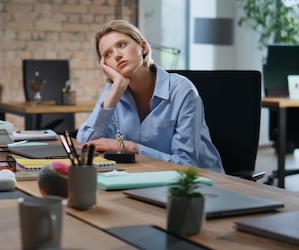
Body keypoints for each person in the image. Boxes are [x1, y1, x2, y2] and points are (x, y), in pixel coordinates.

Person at [76, 19, 224, 173]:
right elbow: (86, 144)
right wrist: (114, 92)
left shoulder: (182, 90)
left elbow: (186, 163)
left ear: (143, 47)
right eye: (108, 54)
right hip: (146, 177)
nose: (117, 55)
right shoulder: (113, 91)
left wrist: (131, 147)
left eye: (122, 45)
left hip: (202, 183)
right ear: (105, 65)